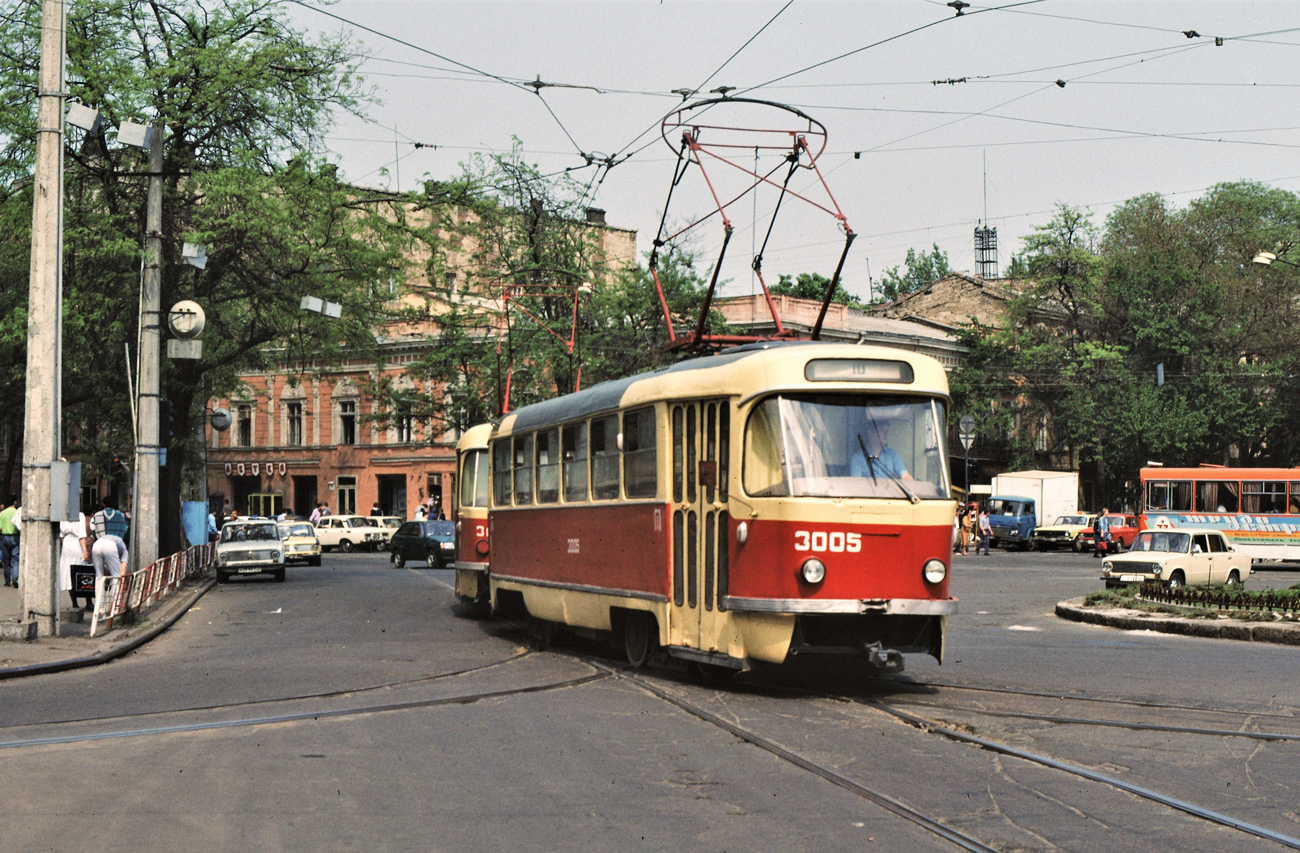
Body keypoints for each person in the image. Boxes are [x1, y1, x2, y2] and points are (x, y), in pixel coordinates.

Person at [848, 426, 912, 481]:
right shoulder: (857, 458)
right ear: (870, 432)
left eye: (887, 431)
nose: (886, 434)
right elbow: (857, 483)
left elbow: (905, 475)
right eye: (882, 430)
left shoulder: (892, 455)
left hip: (889, 491)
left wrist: (910, 482)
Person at [58, 510, 92, 607]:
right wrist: (85, 551)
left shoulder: (63, 515)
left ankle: (74, 603)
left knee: (69, 573)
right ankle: (88, 602)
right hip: (76, 544)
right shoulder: (80, 515)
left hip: (66, 544)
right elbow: (81, 535)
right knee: (82, 571)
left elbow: (61, 536)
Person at [0, 495, 19, 587]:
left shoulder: (2, 513)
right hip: (15, 537)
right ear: (14, 502)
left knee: (6, 560)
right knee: (15, 559)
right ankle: (15, 578)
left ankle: (7, 580)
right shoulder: (17, 512)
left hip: (4, 537)